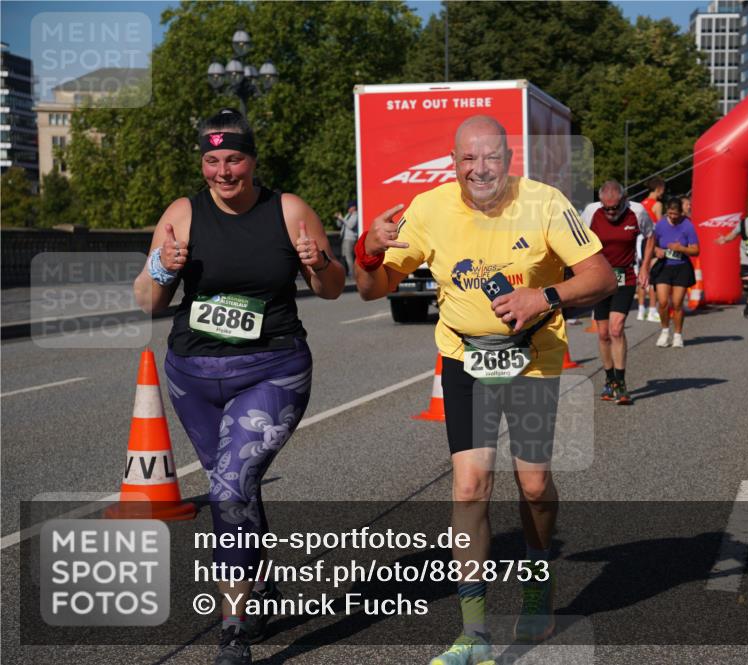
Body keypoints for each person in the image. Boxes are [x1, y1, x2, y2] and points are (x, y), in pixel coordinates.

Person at [355, 115, 615, 664]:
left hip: (533, 358)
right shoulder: (428, 209)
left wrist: (542, 298)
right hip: (465, 358)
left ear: (508, 160)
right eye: (468, 159)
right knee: (470, 487)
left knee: (535, 486)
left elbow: (601, 276)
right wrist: (368, 251)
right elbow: (372, 289)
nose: (480, 169)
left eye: (491, 157)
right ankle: (473, 633)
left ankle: (537, 588)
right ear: (454, 163)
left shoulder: (543, 202)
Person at [133, 109, 346, 665]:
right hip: (192, 374)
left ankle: (234, 627)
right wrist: (162, 268)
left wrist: (318, 260)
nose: (224, 171)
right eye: (212, 160)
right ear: (202, 164)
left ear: (252, 160)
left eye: (234, 159)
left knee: (229, 486)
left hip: (272, 368)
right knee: (237, 485)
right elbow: (149, 302)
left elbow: (330, 288)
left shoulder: (288, 208)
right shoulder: (183, 213)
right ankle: (256, 580)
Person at [585, 180, 653, 404]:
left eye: (615, 207)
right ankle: (609, 379)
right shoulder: (591, 212)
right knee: (603, 333)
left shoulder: (638, 212)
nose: (611, 212)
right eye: (607, 208)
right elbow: (579, 241)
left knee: (616, 329)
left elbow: (650, 236)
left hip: (626, 276)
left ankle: (622, 384)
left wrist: (644, 267)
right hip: (599, 278)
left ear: (624, 200)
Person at [640, 197, 699, 349]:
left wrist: (682, 249)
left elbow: (696, 250)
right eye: (670, 213)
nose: (672, 217)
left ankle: (678, 335)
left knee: (677, 303)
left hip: (681, 267)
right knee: (663, 301)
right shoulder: (660, 225)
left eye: (675, 214)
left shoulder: (688, 226)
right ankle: (665, 331)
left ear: (681, 212)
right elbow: (651, 244)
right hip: (664, 266)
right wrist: (656, 250)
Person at [637, 177, 664, 322]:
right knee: (652, 275)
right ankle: (653, 309)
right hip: (651, 241)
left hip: (639, 241)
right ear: (659, 188)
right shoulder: (657, 204)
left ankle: (641, 310)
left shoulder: (641, 204)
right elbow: (659, 227)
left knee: (642, 274)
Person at [335, 200, 359, 278]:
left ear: (354, 207)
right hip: (344, 238)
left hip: (351, 239)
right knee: (344, 255)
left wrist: (342, 218)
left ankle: (352, 272)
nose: (348, 209)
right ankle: (346, 272)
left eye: (349, 207)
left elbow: (350, 225)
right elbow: (339, 225)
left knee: (349, 256)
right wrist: (338, 219)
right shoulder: (348, 215)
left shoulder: (356, 215)